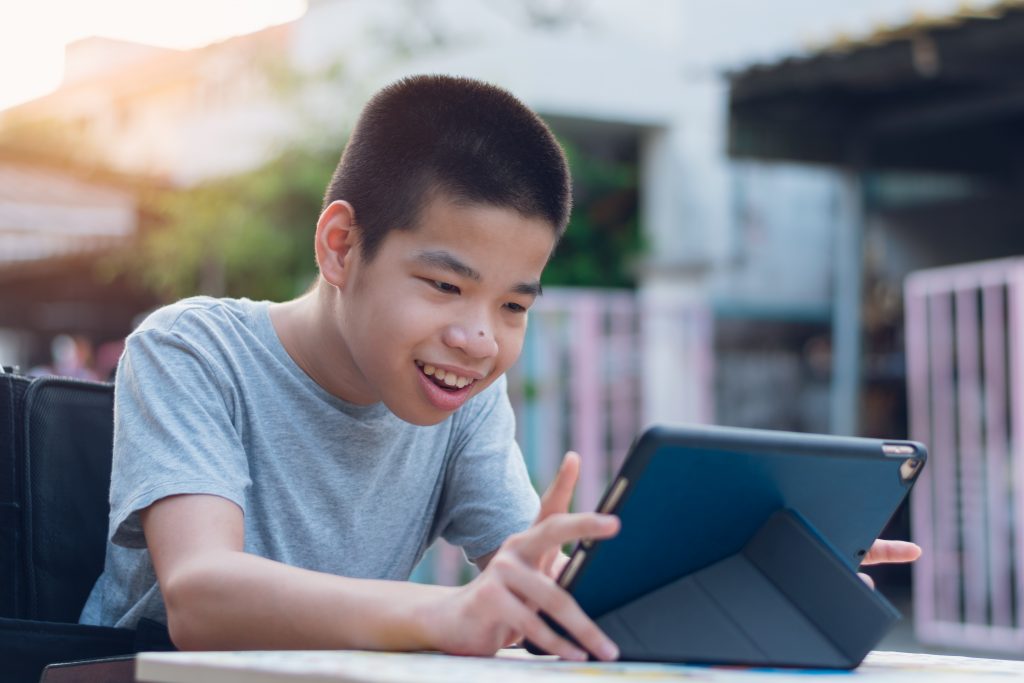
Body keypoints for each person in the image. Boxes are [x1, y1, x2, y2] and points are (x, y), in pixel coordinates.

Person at [79, 75, 919, 661]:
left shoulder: (462, 398)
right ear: (341, 246)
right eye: (446, 284)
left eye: (514, 306)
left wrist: (744, 571)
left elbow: (544, 587)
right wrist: (450, 611)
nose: (479, 339)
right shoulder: (192, 348)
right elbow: (200, 595)